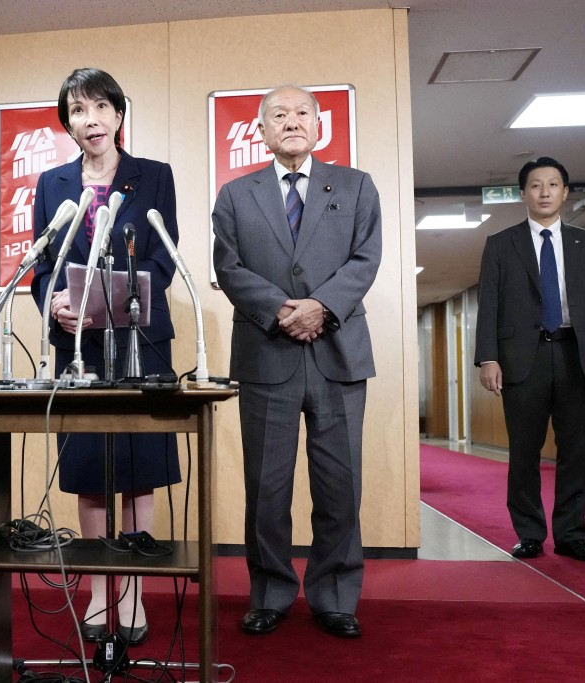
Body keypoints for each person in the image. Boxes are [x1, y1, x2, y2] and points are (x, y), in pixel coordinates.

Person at [212, 85, 381, 638]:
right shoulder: (236, 195)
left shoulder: (356, 187)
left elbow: (366, 258)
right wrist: (282, 311)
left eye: (301, 113)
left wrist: (321, 308)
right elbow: (230, 268)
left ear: (319, 125)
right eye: (277, 115)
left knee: (340, 483)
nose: (291, 121)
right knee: (267, 486)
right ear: (260, 130)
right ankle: (270, 592)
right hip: (267, 353)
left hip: (337, 353)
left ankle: (335, 595)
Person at [29, 68, 181, 645]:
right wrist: (58, 304)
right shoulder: (52, 182)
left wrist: (121, 298)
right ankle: (97, 590)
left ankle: (135, 591)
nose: (88, 121)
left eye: (99, 108)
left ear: (119, 114)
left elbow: (164, 260)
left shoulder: (154, 177)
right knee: (91, 468)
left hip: (140, 340)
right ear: (66, 122)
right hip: (79, 348)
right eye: (76, 111)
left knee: (140, 468)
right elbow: (43, 264)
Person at [474, 156, 585, 563]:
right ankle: (529, 533)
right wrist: (488, 357)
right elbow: (489, 305)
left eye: (553, 185)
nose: (544, 192)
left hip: (577, 353)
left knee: (575, 450)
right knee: (525, 449)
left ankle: (572, 535)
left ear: (565, 192)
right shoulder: (501, 245)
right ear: (523, 193)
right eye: (536, 185)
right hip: (524, 357)